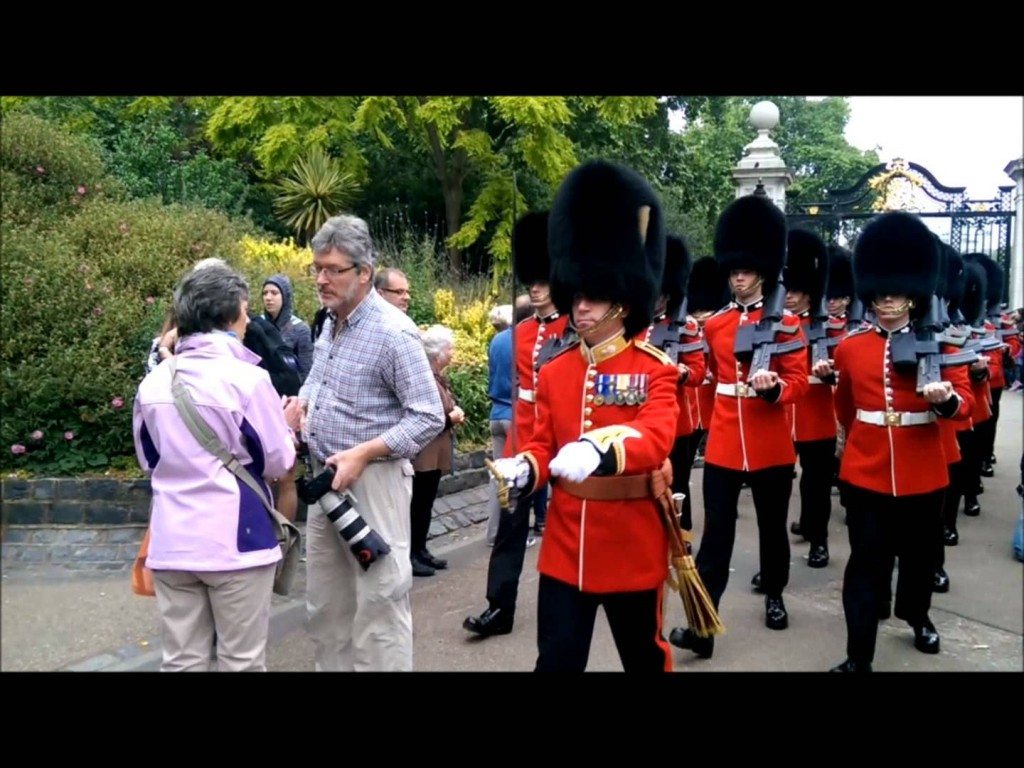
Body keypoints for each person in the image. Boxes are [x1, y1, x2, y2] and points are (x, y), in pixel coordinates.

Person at [489, 159, 680, 671]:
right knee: (555, 661)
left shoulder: (655, 369)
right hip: (566, 545)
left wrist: (602, 448)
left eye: (593, 299)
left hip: (631, 543)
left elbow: (656, 437)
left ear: (622, 299)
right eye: (577, 297)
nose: (581, 309)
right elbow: (541, 443)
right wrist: (526, 468)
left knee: (644, 658)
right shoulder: (554, 372)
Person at [291, 214, 444, 671]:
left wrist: (365, 452)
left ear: (363, 272)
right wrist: (298, 410)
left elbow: (428, 416)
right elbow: (317, 382)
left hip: (373, 484)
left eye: (332, 269)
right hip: (326, 484)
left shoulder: (394, 332)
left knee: (380, 606)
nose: (321, 279)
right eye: (317, 267)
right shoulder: (329, 323)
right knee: (326, 609)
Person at [132, 263, 298, 671]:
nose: (248, 320)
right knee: (241, 660)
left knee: (182, 660)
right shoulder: (248, 380)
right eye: (244, 311)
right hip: (235, 540)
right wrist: (287, 426)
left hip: (173, 541)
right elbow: (278, 462)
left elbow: (148, 460)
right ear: (227, 317)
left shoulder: (153, 383)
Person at [828, 212, 974, 673]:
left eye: (896, 292)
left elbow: (966, 401)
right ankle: (858, 656)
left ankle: (918, 614)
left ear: (913, 294)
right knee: (865, 565)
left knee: (918, 558)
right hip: (867, 469)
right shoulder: (851, 348)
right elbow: (845, 407)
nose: (887, 300)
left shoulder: (941, 344)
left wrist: (946, 401)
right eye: (880, 292)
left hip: (922, 469)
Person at [669, 193, 809, 661]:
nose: (738, 276)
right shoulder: (717, 326)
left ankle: (775, 593)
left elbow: (799, 382)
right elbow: (708, 383)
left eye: (745, 270)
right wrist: (707, 423)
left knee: (772, 527)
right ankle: (703, 625)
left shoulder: (788, 325)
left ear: (762, 271)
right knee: (716, 537)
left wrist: (773, 391)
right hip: (727, 441)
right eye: (734, 270)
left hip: (770, 441)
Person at [463, 212, 569, 638]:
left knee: (567, 528)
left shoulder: (574, 330)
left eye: (543, 279)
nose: (536, 286)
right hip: (524, 444)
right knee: (510, 528)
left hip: (563, 444)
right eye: (532, 279)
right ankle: (498, 607)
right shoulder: (522, 333)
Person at [636, 234, 706, 530]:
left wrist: (681, 373)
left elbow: (698, 372)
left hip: (677, 422)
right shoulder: (634, 324)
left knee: (676, 483)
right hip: (639, 416)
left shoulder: (686, 325)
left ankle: (681, 537)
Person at [783, 229, 835, 569]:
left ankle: (819, 540)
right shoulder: (776, 325)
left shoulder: (830, 326)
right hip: (784, 413)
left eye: (797, 291)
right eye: (786, 290)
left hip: (816, 414)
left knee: (816, 482)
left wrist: (830, 372)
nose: (789, 297)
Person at [409, 324, 465, 576]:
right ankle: (412, 554)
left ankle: (421, 550)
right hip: (424, 454)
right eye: (449, 348)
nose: (452, 353)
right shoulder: (425, 379)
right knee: (418, 505)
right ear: (438, 353)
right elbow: (426, 418)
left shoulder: (436, 376)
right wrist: (451, 418)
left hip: (434, 453)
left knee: (426, 503)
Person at [483, 301, 522, 546]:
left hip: (496, 413)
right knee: (517, 476)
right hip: (514, 414)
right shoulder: (523, 341)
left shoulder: (496, 340)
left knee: (497, 476)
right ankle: (511, 534)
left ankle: (493, 532)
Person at [262, 274, 314, 382]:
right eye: (265, 293)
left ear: (284, 296)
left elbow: (306, 372)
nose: (268, 297)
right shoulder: (258, 325)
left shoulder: (300, 329)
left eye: (274, 293)